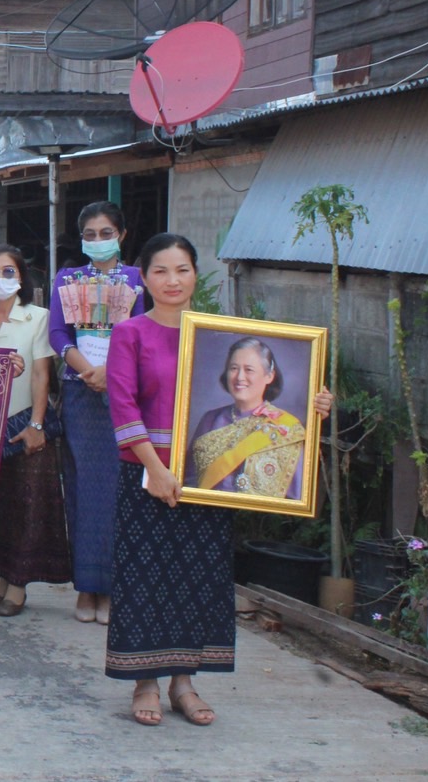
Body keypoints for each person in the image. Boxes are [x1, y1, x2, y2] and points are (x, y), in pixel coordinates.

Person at [105, 233, 332, 727]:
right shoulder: (131, 334)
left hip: (206, 483)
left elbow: (261, 408)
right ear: (143, 278)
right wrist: (156, 468)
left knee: (198, 580)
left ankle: (184, 681)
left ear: (194, 275)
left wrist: (315, 406)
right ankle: (145, 680)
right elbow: (122, 406)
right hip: (147, 475)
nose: (172, 280)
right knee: (145, 577)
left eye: (182, 269)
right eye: (160, 271)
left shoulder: (216, 334)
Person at [50, 200, 144, 626]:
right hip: (80, 392)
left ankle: (111, 587)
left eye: (106, 233)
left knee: (117, 492)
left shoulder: (139, 282)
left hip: (123, 394)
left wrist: (112, 372)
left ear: (121, 235)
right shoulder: (67, 279)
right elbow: (57, 332)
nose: (98, 241)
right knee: (82, 489)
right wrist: (85, 368)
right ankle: (85, 588)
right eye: (89, 235)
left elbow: (144, 333)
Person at [0, 244, 71, 619]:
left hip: (25, 423)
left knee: (29, 507)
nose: (1, 279)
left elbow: (42, 374)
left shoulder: (38, 317)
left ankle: (18, 586)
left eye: (8, 272)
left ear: (21, 277)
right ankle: (1, 582)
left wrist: (36, 425)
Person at [186, 337, 306, 499]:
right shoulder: (210, 420)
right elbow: (189, 481)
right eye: (233, 368)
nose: (240, 377)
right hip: (206, 514)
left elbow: (296, 496)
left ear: (269, 376)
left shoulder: (287, 428)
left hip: (259, 520)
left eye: (249, 370)